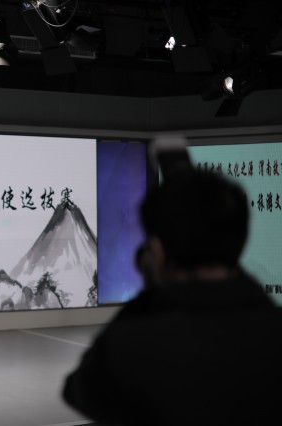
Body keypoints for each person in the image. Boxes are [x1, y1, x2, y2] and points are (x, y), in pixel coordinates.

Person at [63, 170, 282, 425]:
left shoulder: (134, 347)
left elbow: (80, 390)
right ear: (240, 239)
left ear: (157, 252)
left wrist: (150, 295)